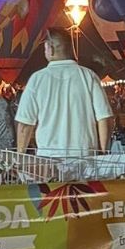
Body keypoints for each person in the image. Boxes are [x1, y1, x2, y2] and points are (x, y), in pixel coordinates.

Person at [16, 28, 113, 156]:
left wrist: (20, 156)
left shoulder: (37, 79)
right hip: (85, 158)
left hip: (49, 159)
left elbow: (25, 125)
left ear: (51, 49)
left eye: (45, 48)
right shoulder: (89, 76)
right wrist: (103, 151)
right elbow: (104, 118)